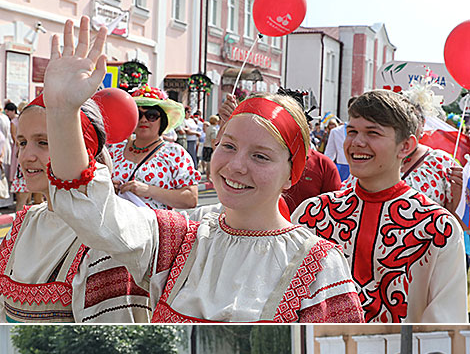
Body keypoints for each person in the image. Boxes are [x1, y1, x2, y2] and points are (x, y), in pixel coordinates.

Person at [42, 17, 364, 324]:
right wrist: (62, 113)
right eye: (228, 146)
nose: (237, 166)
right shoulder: (183, 236)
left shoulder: (319, 264)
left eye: (261, 157)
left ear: (291, 174)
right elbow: (96, 214)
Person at [293, 90, 468, 323]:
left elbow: (446, 323)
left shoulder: (438, 228)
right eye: (352, 131)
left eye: (372, 133)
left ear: (405, 146)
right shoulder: (312, 214)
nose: (357, 142)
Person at [0, 92, 152, 322]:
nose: (26, 156)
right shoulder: (24, 223)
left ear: (80, 150)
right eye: (22, 143)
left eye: (43, 142)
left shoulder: (104, 239)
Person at [109, 86, 199, 210]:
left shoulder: (175, 153)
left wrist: (148, 190)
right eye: (138, 114)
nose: (144, 120)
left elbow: (191, 199)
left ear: (162, 120)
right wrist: (109, 187)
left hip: (154, 227)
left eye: (151, 115)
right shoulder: (115, 149)